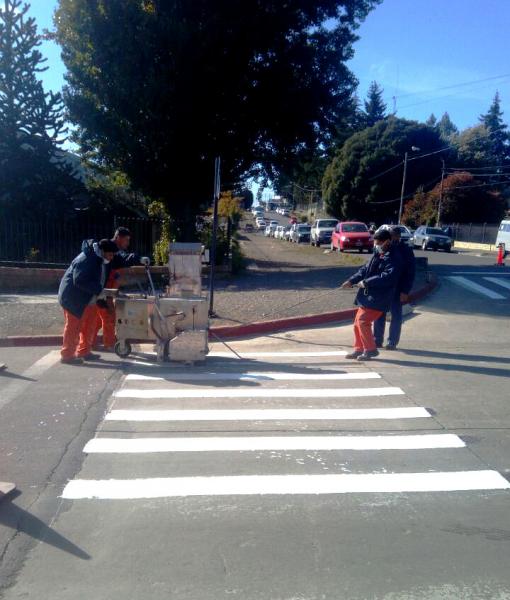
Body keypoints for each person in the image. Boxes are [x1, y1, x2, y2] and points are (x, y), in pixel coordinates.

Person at [340, 229, 402, 361]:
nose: (376, 245)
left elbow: (388, 277)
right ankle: (359, 349)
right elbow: (364, 270)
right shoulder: (378, 253)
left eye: (379, 243)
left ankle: (371, 350)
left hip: (380, 297)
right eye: (375, 242)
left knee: (363, 321)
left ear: (387, 241)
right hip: (368, 296)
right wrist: (351, 281)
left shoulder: (394, 257)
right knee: (357, 323)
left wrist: (367, 282)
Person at [58, 239, 118, 365]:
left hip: (88, 297)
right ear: (103, 251)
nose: (111, 258)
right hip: (74, 297)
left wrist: (100, 295)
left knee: (89, 325)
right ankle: (67, 355)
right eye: (110, 255)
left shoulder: (99, 259)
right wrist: (99, 291)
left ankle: (84, 351)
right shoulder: (87, 258)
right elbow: (78, 279)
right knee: (74, 326)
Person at [92, 227, 149, 351]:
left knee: (97, 318)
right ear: (118, 238)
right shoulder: (112, 250)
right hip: (104, 290)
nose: (128, 243)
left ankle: (91, 342)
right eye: (126, 240)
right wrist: (138, 259)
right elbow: (123, 259)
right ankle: (109, 344)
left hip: (103, 290)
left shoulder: (111, 250)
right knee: (109, 316)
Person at [373, 226, 415, 350]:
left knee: (396, 316)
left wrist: (405, 291)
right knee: (378, 314)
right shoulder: (382, 247)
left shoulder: (405, 250)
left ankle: (392, 341)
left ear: (398, 236)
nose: (389, 239)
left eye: (392, 236)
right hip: (382, 288)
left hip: (397, 289)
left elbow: (410, 272)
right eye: (388, 237)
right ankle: (377, 339)